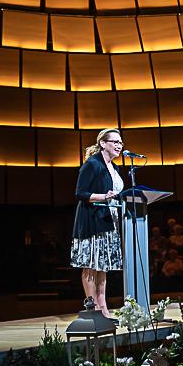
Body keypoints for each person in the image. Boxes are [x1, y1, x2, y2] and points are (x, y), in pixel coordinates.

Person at [71, 128, 125, 317]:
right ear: (103, 143)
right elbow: (80, 193)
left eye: (121, 142)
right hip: (91, 220)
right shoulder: (92, 164)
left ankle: (103, 306)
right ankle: (92, 307)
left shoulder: (115, 167)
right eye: (115, 142)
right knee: (91, 264)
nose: (119, 145)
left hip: (108, 220)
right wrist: (103, 196)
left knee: (103, 265)